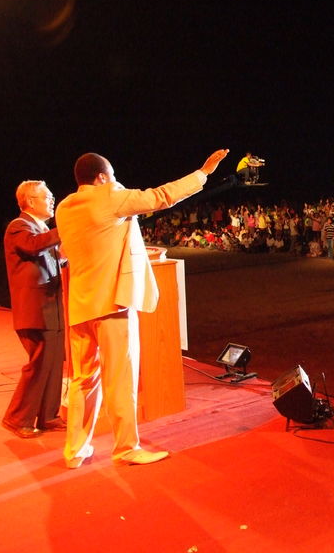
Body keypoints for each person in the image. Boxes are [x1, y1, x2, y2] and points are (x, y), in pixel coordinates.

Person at [55, 149, 228, 469]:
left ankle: (75, 450)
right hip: (111, 304)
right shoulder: (109, 196)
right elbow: (161, 196)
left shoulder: (64, 208)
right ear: (102, 178)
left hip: (80, 305)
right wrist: (203, 173)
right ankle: (125, 448)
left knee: (83, 380)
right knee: (120, 378)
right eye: (113, 176)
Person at [1, 180, 67, 439]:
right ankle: (17, 418)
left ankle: (48, 416)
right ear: (30, 201)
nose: (52, 201)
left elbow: (51, 257)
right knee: (39, 365)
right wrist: (67, 228)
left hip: (51, 308)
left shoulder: (42, 230)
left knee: (53, 364)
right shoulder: (19, 227)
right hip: (35, 309)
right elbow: (33, 245)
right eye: (47, 197)